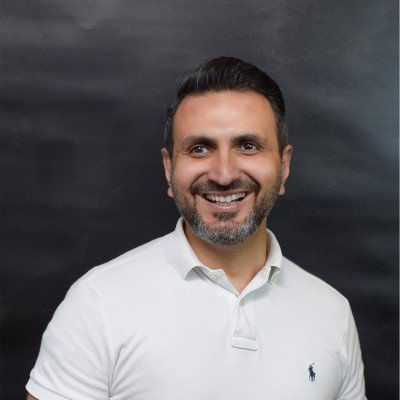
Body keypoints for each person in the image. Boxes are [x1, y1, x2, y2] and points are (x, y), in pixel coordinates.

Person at [26, 57, 366, 400]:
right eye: (199, 148)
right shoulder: (98, 303)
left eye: (248, 146)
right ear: (169, 169)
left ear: (284, 166)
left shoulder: (332, 313)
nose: (223, 174)